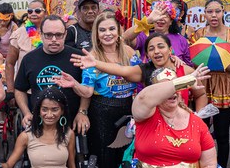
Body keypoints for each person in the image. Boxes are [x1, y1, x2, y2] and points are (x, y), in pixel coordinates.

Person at [65, 12, 139, 168]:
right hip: (102, 113)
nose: (107, 34)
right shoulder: (92, 56)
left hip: (128, 113)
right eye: (102, 30)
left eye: (111, 29)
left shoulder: (130, 53)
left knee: (127, 163)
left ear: (118, 31)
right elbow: (88, 90)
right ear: (96, 33)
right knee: (105, 165)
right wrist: (79, 102)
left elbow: (141, 78)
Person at [72, 32, 209, 111]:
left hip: (181, 125)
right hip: (152, 127)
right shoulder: (144, 71)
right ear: (147, 55)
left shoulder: (184, 70)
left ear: (170, 50)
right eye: (151, 49)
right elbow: (121, 70)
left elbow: (201, 94)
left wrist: (197, 117)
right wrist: (96, 63)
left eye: (161, 47)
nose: (156, 52)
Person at [190, 0, 230, 168]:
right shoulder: (198, 35)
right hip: (202, 87)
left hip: (224, 88)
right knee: (200, 132)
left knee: (222, 134)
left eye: (217, 11)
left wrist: (220, 64)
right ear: (204, 14)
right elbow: (192, 62)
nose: (213, 15)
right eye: (209, 11)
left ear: (223, 12)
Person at [14, 15, 87, 130]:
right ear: (41, 34)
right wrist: (27, 112)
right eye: (48, 35)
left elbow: (87, 87)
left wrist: (82, 112)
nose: (54, 40)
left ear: (65, 34)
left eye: (58, 35)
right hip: (39, 124)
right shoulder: (29, 59)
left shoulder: (78, 57)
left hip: (71, 124)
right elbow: (19, 89)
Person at [124, 0, 192, 66]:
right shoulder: (144, 36)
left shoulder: (181, 40)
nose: (160, 18)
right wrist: (148, 20)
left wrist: (178, 64)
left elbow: (189, 67)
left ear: (171, 21)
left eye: (165, 15)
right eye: (157, 15)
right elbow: (125, 39)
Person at [5, 0, 47, 99]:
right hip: (26, 91)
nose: (33, 14)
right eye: (29, 11)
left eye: (37, 11)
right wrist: (11, 91)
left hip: (49, 86)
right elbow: (9, 63)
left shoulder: (52, 32)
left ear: (45, 13)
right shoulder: (19, 34)